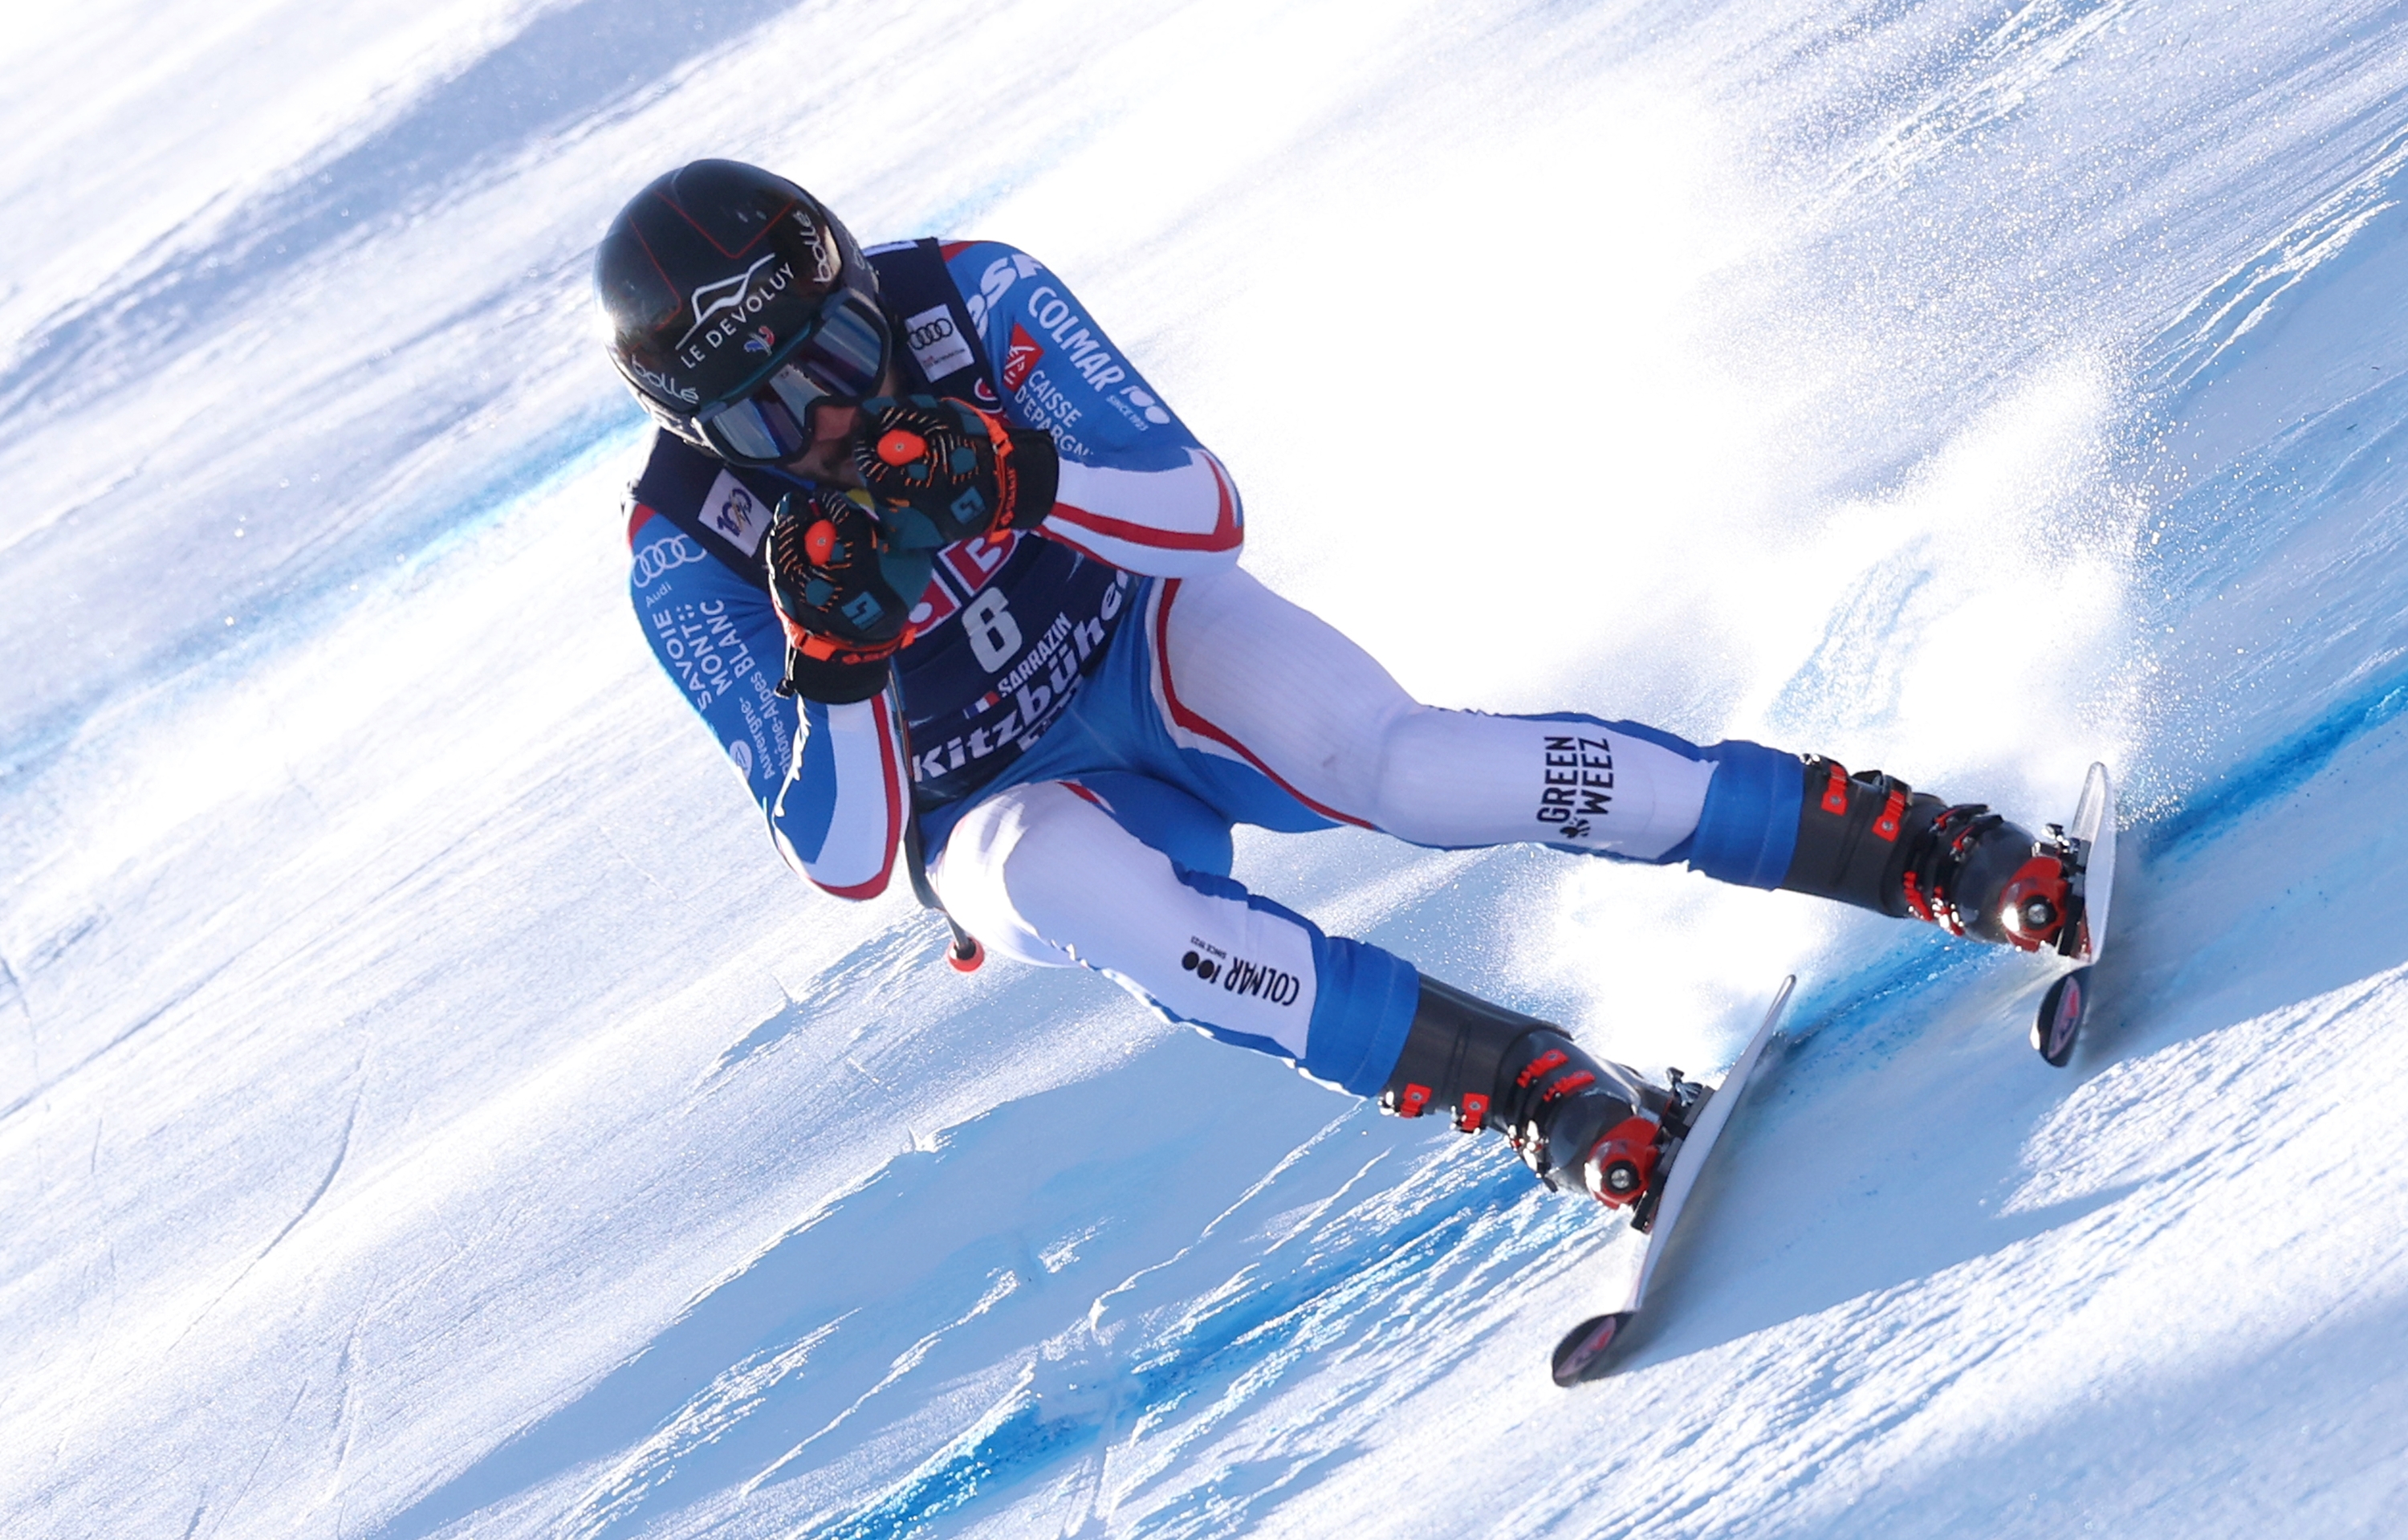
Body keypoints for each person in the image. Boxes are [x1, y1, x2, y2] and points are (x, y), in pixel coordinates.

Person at [597, 159, 2081, 1218]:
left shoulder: (967, 297)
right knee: (1116, 914)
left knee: (1413, 770)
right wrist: (838, 659)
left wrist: (1017, 471)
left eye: (841, 354)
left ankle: (1917, 847)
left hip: (1145, 640)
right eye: (768, 411)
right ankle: (1535, 1091)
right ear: (701, 431)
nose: (836, 416)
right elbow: (850, 858)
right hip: (1004, 808)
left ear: (864, 287)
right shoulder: (686, 544)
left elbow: (1199, 509)